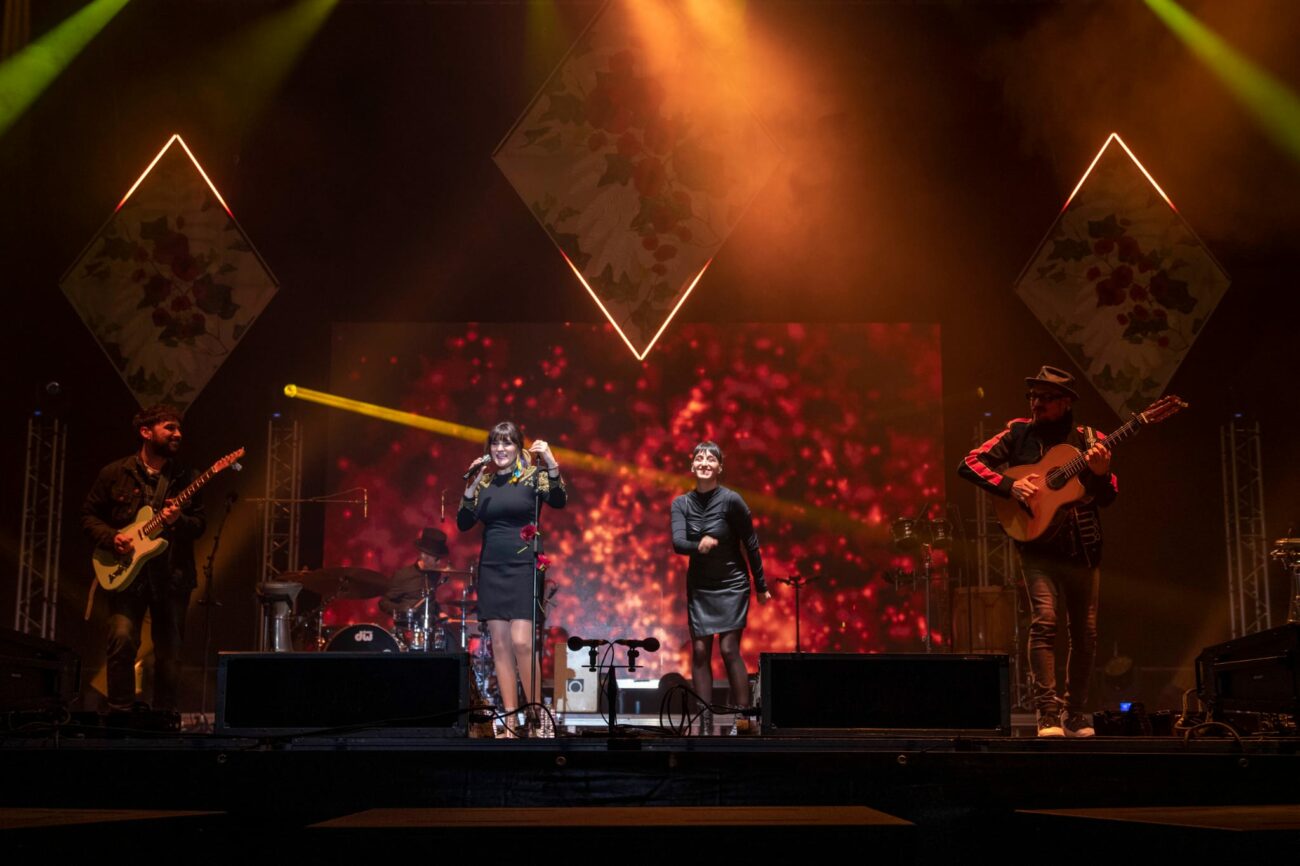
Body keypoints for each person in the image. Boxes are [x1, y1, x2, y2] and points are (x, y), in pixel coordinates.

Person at [958, 366, 1117, 738]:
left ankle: (1074, 714)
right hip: (1037, 546)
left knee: (1086, 633)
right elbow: (969, 463)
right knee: (1044, 623)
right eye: (1033, 396)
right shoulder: (1017, 432)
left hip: (1083, 546)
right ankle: (1047, 714)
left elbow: (1108, 497)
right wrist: (1009, 486)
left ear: (1065, 403)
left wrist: (1101, 471)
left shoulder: (1091, 439)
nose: (1036, 403)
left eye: (1045, 398)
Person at [82, 404, 206, 712]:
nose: (178, 434)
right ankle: (120, 713)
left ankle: (163, 720)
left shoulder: (185, 477)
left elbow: (199, 525)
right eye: (170, 428)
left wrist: (178, 519)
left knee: (170, 654)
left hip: (172, 577)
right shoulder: (114, 473)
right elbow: (88, 516)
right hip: (127, 575)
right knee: (122, 641)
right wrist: (113, 537)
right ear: (146, 432)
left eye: (179, 428)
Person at [457, 421, 565, 734]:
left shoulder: (534, 476)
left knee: (521, 641)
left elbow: (559, 499)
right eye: (495, 444)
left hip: (525, 565)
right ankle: (511, 717)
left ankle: (536, 712)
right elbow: (464, 522)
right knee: (500, 645)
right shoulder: (486, 481)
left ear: (518, 447)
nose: (500, 449)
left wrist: (552, 462)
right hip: (492, 566)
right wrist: (470, 486)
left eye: (507, 443)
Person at [670, 441, 769, 734]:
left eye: (710, 458)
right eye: (699, 457)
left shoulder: (732, 501)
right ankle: (703, 719)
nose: (704, 462)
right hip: (701, 586)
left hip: (732, 583)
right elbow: (678, 543)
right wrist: (698, 545)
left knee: (728, 649)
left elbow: (750, 544)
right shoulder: (681, 504)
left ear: (719, 468)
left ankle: (743, 718)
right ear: (692, 466)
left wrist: (761, 586)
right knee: (700, 651)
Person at [380, 527, 451, 649]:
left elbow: (429, 600)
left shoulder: (435, 575)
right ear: (424, 555)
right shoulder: (403, 576)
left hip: (429, 632)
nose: (439, 563)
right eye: (437, 559)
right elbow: (383, 603)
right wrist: (403, 610)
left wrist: (440, 612)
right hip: (407, 633)